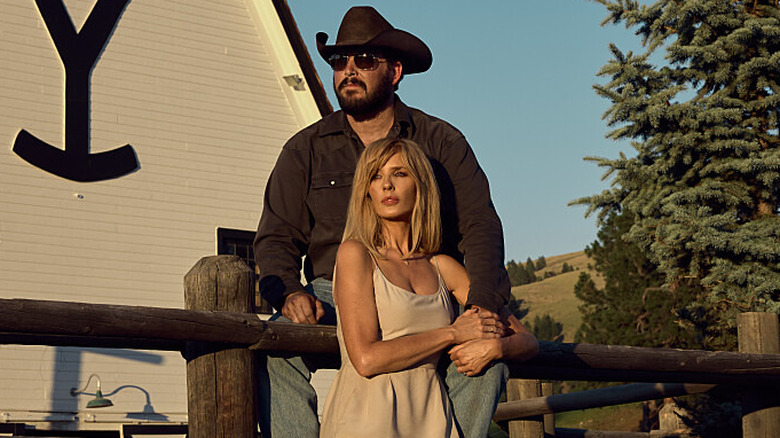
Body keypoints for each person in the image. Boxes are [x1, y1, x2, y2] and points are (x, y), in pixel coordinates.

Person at [254, 6, 513, 437]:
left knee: (487, 358)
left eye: (364, 61)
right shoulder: (305, 150)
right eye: (340, 62)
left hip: (424, 287)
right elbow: (276, 235)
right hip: (334, 290)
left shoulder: (441, 142)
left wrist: (481, 305)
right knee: (274, 350)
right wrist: (289, 292)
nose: (348, 71)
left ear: (394, 71)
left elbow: (481, 225)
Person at [319, 138, 538, 438]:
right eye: (376, 176)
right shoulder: (356, 254)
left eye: (399, 173)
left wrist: (497, 347)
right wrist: (453, 333)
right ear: (366, 191)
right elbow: (366, 359)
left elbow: (528, 340)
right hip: (367, 418)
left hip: (433, 420)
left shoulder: (442, 266)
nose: (387, 185)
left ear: (419, 184)